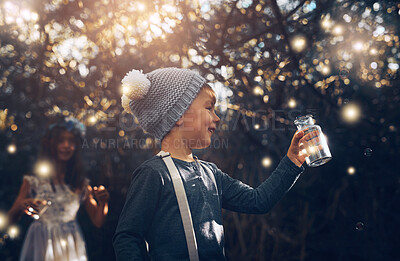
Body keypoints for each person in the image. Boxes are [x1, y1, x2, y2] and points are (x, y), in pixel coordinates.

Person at [113, 68, 310, 260]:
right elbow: (127, 237)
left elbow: (258, 201)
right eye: (209, 108)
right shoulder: (154, 173)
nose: (217, 117)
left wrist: (292, 161)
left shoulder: (211, 173)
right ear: (179, 115)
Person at [8, 115, 109, 261]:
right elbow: (11, 218)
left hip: (69, 244)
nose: (66, 145)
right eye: (61, 140)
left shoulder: (80, 183)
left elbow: (98, 221)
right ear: (50, 143)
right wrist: (22, 204)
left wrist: (103, 202)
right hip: (40, 242)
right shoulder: (33, 181)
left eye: (71, 141)